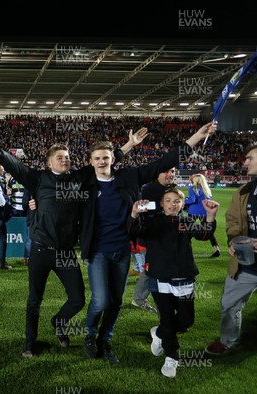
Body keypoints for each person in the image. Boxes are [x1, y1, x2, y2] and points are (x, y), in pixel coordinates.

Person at [0, 127, 149, 358]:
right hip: (41, 249)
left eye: (68, 157)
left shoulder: (78, 178)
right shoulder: (37, 178)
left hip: (66, 253)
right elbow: (11, 163)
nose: (65, 160)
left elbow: (108, 160)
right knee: (34, 300)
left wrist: (129, 144)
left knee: (78, 299)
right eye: (60, 157)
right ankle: (29, 342)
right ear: (49, 163)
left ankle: (59, 322)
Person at [80, 122, 216, 365]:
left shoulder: (129, 176)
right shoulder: (84, 183)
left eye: (106, 157)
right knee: (101, 299)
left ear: (113, 159)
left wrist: (196, 136)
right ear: (90, 161)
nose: (102, 162)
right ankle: (90, 335)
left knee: (116, 301)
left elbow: (162, 163)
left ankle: (105, 338)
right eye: (97, 158)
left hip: (122, 250)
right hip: (98, 250)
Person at [128, 188, 219, 378]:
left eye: (176, 201)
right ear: (162, 204)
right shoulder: (153, 221)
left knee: (186, 320)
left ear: (182, 204)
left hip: (183, 278)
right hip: (159, 279)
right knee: (168, 320)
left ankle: (159, 332)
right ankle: (172, 358)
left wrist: (210, 216)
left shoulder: (185, 222)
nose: (172, 204)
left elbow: (203, 235)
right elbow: (133, 231)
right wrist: (135, 214)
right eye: (168, 200)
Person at [205, 142, 257, 356]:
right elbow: (233, 220)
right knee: (229, 304)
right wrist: (233, 241)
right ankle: (228, 340)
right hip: (246, 265)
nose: (245, 162)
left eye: (250, 158)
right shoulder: (244, 191)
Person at [131, 168, 177, 314]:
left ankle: (143, 299)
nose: (170, 174)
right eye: (167, 171)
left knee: (155, 269)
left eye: (173, 172)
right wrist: (166, 206)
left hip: (169, 236)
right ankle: (145, 300)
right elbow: (142, 208)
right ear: (157, 173)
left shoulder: (172, 188)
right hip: (149, 237)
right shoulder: (148, 188)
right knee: (151, 269)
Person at [185, 173, 221, 257]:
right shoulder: (207, 189)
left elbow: (192, 200)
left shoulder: (193, 188)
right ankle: (216, 249)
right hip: (205, 212)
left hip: (193, 211)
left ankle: (186, 250)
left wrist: (183, 201)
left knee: (187, 231)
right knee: (208, 231)